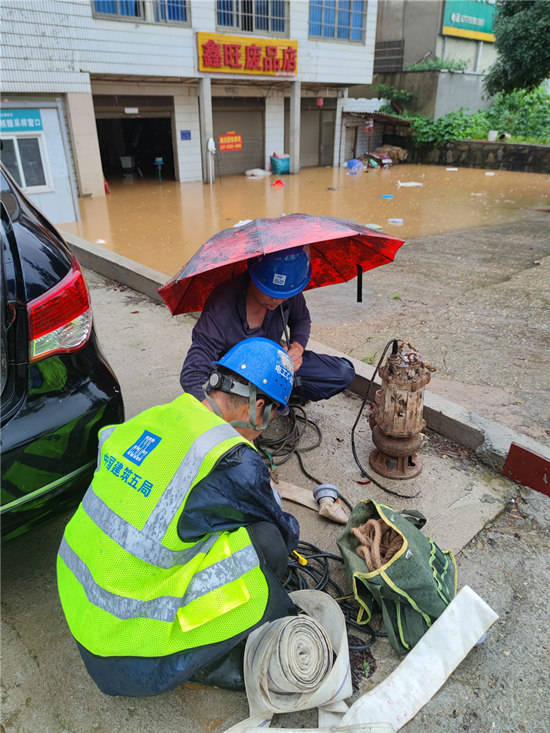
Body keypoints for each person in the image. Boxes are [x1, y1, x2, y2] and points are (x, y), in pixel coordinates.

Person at [56, 337, 299, 697]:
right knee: (268, 543)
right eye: (273, 414)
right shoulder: (231, 460)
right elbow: (284, 532)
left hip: (82, 612)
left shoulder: (155, 417)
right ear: (259, 406)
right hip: (130, 656)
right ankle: (207, 659)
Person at [180, 245, 355, 404]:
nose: (276, 300)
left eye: (283, 295)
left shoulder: (287, 292)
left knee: (342, 373)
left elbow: (301, 319)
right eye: (269, 292)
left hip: (273, 364)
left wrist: (297, 348)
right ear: (254, 277)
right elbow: (192, 374)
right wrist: (215, 411)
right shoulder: (222, 306)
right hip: (236, 376)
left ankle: (281, 399)